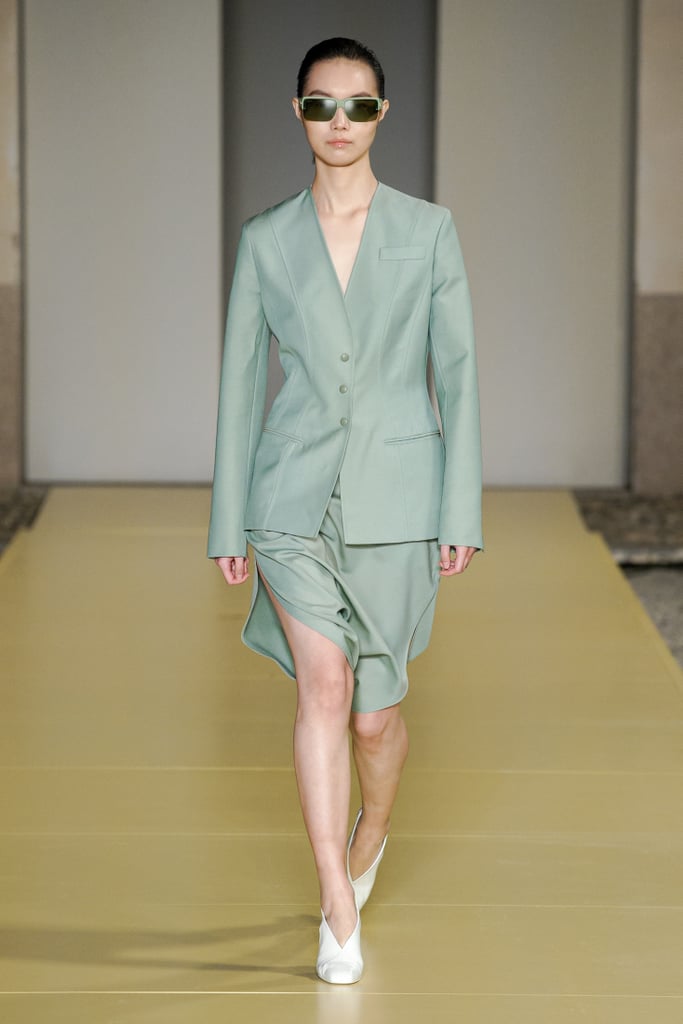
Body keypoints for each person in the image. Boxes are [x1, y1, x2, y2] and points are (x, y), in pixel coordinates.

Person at [208, 37, 482, 985]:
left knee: (373, 718)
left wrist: (460, 510)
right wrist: (227, 522)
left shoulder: (428, 231)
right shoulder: (265, 239)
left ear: (380, 115)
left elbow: (457, 373)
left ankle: (374, 826)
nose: (339, 121)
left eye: (357, 105)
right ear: (298, 113)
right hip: (289, 498)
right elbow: (240, 383)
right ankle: (336, 903)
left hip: (398, 500)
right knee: (321, 687)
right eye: (321, 104)